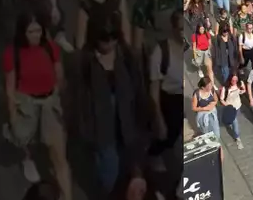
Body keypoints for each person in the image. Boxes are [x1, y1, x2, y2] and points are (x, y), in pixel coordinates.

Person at [3, 10, 72, 199]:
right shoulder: (12, 53)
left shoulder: (50, 47)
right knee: (26, 139)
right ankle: (28, 157)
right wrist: (13, 117)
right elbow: (10, 88)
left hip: (49, 102)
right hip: (26, 102)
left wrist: (61, 103)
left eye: (38, 30)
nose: (35, 35)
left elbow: (60, 76)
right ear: (22, 32)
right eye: (30, 31)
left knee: (59, 158)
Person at [77, 23, 148, 194]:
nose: (109, 44)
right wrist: (86, 130)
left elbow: (139, 88)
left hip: (127, 123)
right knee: (109, 172)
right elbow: (81, 98)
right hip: (102, 127)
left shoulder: (126, 56)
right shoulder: (87, 61)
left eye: (113, 39)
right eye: (104, 40)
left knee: (128, 168)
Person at [147, 10, 183, 172]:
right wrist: (158, 117)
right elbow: (153, 89)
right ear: (173, 29)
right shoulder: (161, 52)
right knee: (167, 133)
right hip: (169, 99)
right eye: (181, 29)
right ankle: (153, 155)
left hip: (186, 96)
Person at [219, 73, 245, 150]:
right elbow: (221, 99)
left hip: (238, 106)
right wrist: (228, 106)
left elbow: (243, 90)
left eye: (236, 80)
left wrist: (242, 90)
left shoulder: (240, 83)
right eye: (233, 80)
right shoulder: (225, 88)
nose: (234, 81)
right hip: (230, 108)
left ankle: (229, 124)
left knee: (234, 121)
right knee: (235, 123)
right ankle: (238, 138)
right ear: (230, 79)